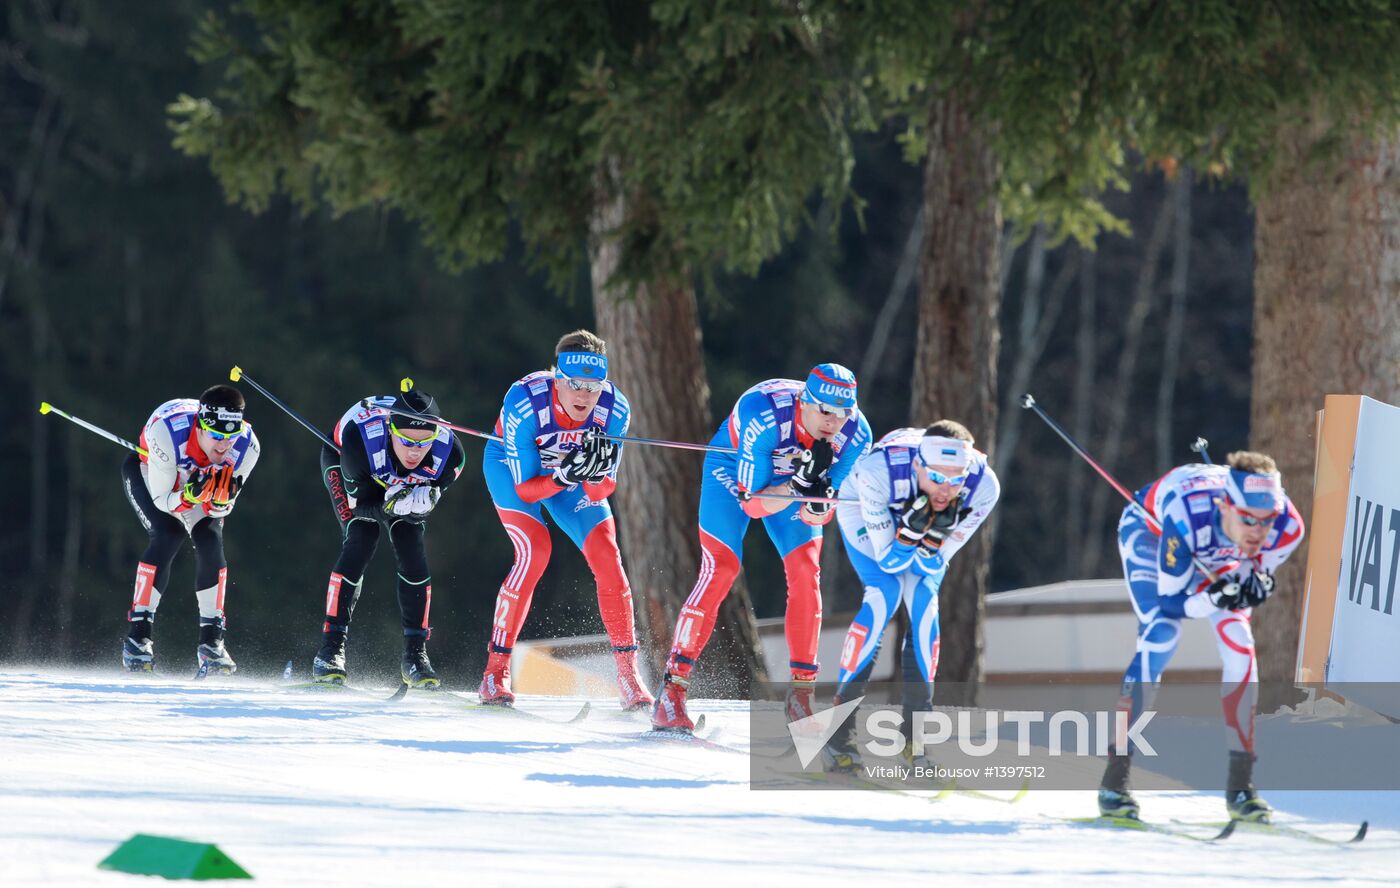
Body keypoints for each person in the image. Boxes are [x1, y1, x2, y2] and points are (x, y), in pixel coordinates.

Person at [652, 364, 873, 733]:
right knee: (721, 568)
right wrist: (800, 484)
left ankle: (802, 696)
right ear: (805, 401)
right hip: (735, 468)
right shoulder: (764, 413)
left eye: (843, 414)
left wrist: (818, 501)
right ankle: (672, 690)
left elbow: (819, 512)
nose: (834, 422)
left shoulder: (857, 434)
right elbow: (751, 504)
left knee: (806, 569)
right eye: (825, 411)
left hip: (790, 482)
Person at [1098, 451, 1305, 823]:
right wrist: (1212, 597)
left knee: (1240, 643)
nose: (1259, 531)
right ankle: (1115, 781)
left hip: (1219, 550)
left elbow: (1254, 573)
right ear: (1227, 506)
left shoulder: (1288, 526)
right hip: (1154, 532)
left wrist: (1256, 585)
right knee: (1161, 634)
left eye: (1266, 520)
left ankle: (1241, 788)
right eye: (1248, 520)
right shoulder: (1185, 515)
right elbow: (1173, 602)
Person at [478, 330, 651, 710]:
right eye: (575, 385)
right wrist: (563, 475)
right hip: (515, 472)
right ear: (557, 378)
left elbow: (603, 490)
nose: (584, 396)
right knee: (535, 551)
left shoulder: (615, 409)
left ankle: (628, 677)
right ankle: (495, 672)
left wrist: (591, 474)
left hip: (568, 477)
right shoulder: (525, 402)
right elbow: (526, 490)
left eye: (594, 386)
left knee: (608, 556)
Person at [823, 421, 1000, 770]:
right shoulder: (879, 470)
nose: (946, 490)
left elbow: (931, 565)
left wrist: (932, 537)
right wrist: (909, 534)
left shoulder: (984, 486)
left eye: (955, 479)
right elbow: (889, 561)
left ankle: (916, 739)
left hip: (912, 524)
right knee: (884, 593)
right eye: (937, 477)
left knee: (923, 601)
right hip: (861, 504)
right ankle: (839, 733)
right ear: (919, 464)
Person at [311, 382, 466, 689]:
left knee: (412, 549)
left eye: (424, 443)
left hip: (399, 484)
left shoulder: (452, 455)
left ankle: (415, 656)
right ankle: (330, 650)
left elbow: (423, 505)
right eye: (407, 441)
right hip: (354, 467)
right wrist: (390, 504)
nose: (414, 452)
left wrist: (420, 508)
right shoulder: (359, 441)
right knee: (360, 540)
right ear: (392, 430)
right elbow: (359, 508)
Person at [121, 385, 260, 674]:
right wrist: (189, 496)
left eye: (230, 437)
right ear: (200, 427)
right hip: (153, 472)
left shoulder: (248, 446)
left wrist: (220, 501)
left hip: (195, 482)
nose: (224, 446)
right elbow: (163, 500)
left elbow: (222, 508)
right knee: (168, 533)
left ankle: (212, 643)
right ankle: (138, 637)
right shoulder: (167, 434)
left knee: (210, 540)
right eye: (217, 437)